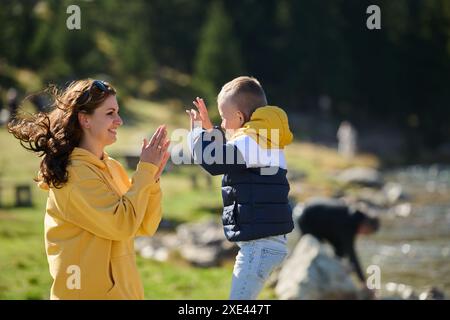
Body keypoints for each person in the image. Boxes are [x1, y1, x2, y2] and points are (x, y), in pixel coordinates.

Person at [7, 79, 170, 299]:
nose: (119, 120)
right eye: (110, 113)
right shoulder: (75, 175)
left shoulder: (111, 166)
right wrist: (144, 172)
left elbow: (144, 225)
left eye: (118, 112)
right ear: (85, 119)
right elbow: (123, 224)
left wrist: (151, 179)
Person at [186, 76, 294, 299]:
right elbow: (229, 152)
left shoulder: (253, 141)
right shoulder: (263, 136)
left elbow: (214, 161)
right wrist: (209, 130)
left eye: (224, 118)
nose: (223, 125)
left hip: (260, 245)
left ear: (239, 117)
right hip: (265, 241)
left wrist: (196, 134)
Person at [296, 198, 379, 284]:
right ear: (365, 226)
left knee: (339, 250)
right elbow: (352, 255)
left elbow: (341, 249)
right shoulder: (349, 223)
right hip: (306, 218)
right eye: (367, 233)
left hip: (310, 213)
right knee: (313, 251)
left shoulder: (352, 216)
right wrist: (364, 282)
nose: (363, 235)